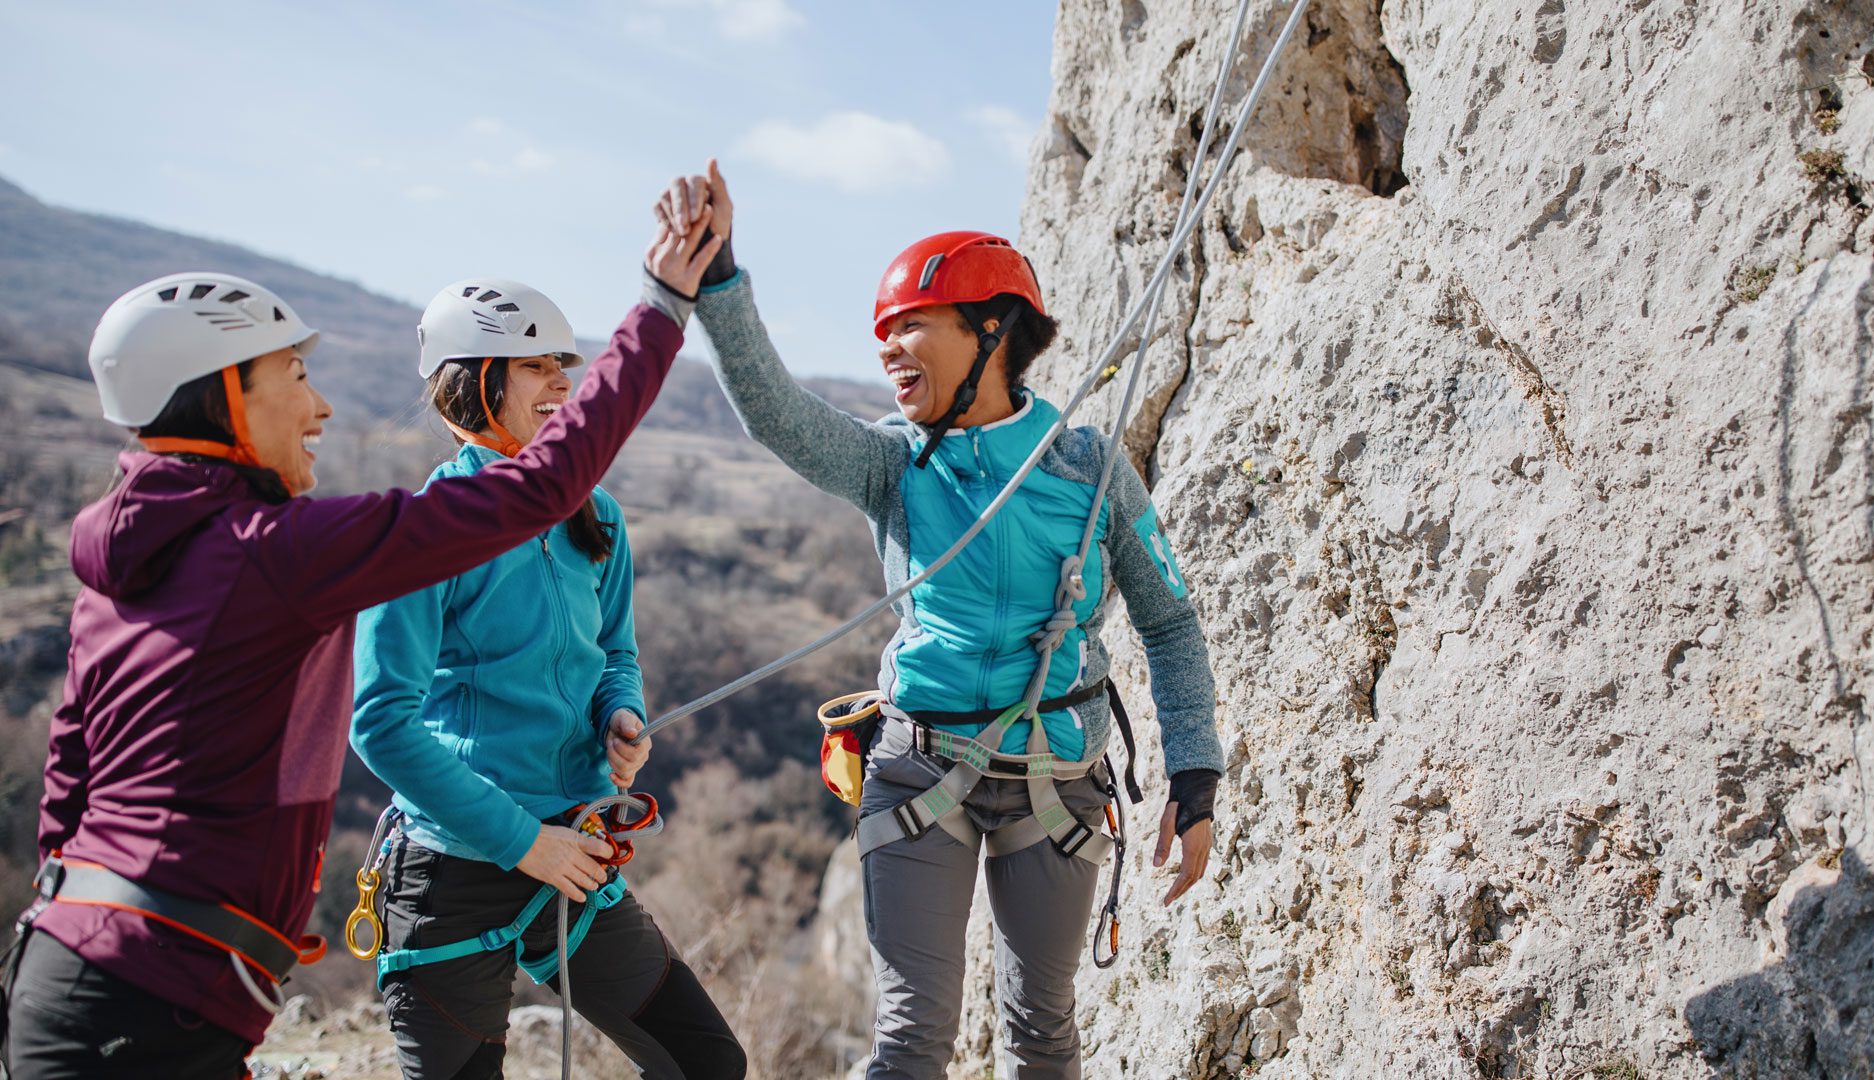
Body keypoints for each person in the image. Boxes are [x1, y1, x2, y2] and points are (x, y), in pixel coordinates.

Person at [4, 217, 723, 1079]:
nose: (322, 405)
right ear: (227, 394)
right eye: (295, 375)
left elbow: (68, 777)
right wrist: (661, 306)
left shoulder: (123, 574)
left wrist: (619, 706)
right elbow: (525, 502)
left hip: (96, 963)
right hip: (162, 979)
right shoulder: (273, 550)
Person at [657, 162, 1223, 1080]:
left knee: (1041, 1030)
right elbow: (774, 415)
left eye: (911, 325)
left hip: (1056, 777)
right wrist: (720, 283)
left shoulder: (1087, 469)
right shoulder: (894, 466)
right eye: (883, 333)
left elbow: (1169, 622)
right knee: (912, 1036)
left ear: (990, 331)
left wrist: (1194, 774)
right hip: (922, 766)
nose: (888, 349)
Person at [349, 275, 746, 1080]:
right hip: (456, 871)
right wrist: (525, 843)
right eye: (536, 365)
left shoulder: (596, 516)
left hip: (572, 849)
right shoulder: (427, 530)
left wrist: (621, 714)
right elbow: (380, 723)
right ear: (473, 384)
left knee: (708, 1064)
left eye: (564, 363)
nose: (566, 382)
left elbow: (616, 653)